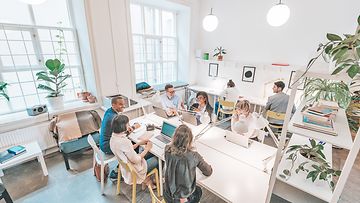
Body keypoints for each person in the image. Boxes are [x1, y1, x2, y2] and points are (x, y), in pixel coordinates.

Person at [164, 125, 212, 203]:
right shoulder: (193, 156)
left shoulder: (167, 149)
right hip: (181, 199)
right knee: (199, 191)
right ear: (190, 140)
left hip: (168, 194)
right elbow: (208, 172)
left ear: (174, 137)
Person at [110, 115, 158, 188]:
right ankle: (152, 180)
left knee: (149, 153)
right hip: (135, 170)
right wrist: (147, 149)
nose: (129, 125)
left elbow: (126, 151)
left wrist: (139, 143)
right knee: (157, 159)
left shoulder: (113, 138)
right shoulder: (124, 141)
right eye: (128, 124)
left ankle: (147, 179)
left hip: (126, 168)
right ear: (123, 126)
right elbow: (136, 160)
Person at [100, 96, 140, 180]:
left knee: (131, 145)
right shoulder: (113, 118)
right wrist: (134, 127)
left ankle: (124, 166)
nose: (123, 106)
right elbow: (123, 134)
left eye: (124, 104)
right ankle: (120, 170)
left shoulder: (109, 111)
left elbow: (118, 131)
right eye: (120, 104)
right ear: (113, 105)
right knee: (133, 145)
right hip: (108, 146)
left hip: (104, 142)